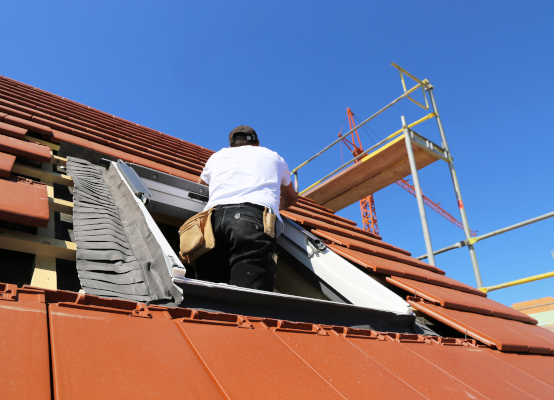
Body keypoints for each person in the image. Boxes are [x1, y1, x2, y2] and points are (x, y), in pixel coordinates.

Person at [195, 125, 298, 291]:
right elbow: (291, 198)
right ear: (257, 143)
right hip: (252, 220)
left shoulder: (217, 156)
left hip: (211, 221)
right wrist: (274, 206)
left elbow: (200, 186)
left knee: (209, 294)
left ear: (231, 145)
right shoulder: (273, 157)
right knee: (248, 298)